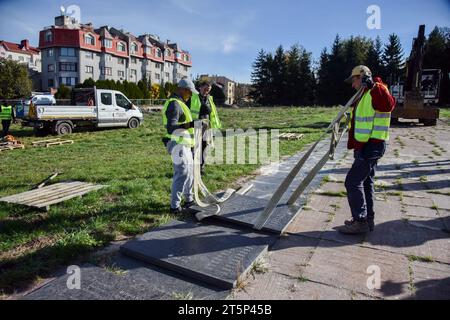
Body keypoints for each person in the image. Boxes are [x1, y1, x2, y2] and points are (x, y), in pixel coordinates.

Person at [337, 66, 396, 234]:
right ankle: (367, 220)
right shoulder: (364, 94)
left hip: (372, 146)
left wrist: (373, 86)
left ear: (363, 78)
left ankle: (360, 221)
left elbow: (388, 104)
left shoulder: (377, 89)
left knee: (352, 181)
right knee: (366, 182)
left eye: (354, 80)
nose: (352, 85)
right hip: (365, 145)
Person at [162, 78, 199, 214]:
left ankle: (189, 200)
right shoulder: (174, 105)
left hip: (185, 144)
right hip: (178, 145)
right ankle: (174, 206)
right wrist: (191, 124)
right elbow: (171, 127)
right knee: (182, 173)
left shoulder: (181, 103)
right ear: (183, 90)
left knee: (189, 173)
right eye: (189, 92)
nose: (190, 95)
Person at [189, 80, 222, 174]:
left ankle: (201, 167)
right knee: (194, 147)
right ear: (200, 87)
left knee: (204, 147)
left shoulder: (210, 99)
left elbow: (213, 113)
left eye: (208, 90)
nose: (206, 91)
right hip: (196, 126)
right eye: (205, 89)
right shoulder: (193, 97)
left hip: (207, 127)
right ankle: (192, 167)